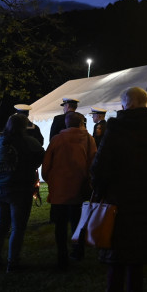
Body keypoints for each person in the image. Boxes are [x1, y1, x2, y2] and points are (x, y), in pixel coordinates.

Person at [90, 87, 147, 292]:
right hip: (146, 203)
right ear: (144, 104)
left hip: (118, 205)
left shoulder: (115, 130)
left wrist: (102, 191)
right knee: (136, 263)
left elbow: (99, 169)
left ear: (126, 105)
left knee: (117, 262)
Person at [0, 113, 45, 272]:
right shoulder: (29, 142)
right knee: (18, 227)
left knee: (1, 225)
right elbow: (41, 156)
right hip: (20, 188)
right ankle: (12, 263)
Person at [42, 111, 97, 269]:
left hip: (59, 190)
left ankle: (62, 256)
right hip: (79, 188)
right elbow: (94, 162)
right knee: (77, 222)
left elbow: (46, 165)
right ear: (81, 123)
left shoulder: (57, 139)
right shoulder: (89, 139)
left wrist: (51, 180)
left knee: (60, 225)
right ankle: (78, 251)